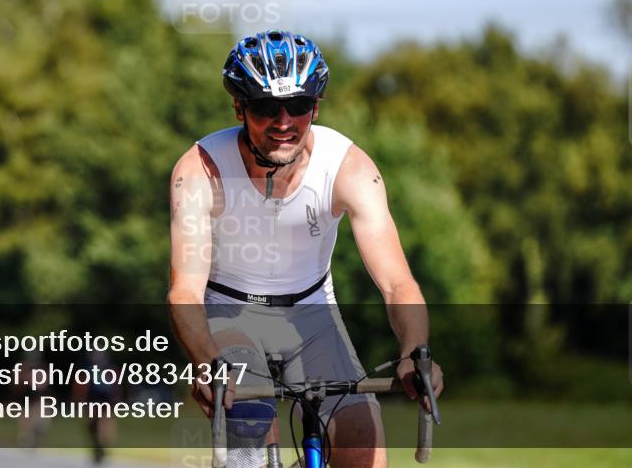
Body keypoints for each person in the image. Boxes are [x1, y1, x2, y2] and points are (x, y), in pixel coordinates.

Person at [167, 30, 444, 468]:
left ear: (315, 106)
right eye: (264, 107)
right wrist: (205, 362)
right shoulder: (201, 170)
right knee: (250, 428)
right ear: (239, 107)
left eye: (298, 106)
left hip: (311, 312)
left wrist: (414, 351)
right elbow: (184, 291)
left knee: (363, 447)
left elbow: (396, 282)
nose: (283, 122)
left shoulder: (349, 167)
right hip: (230, 312)